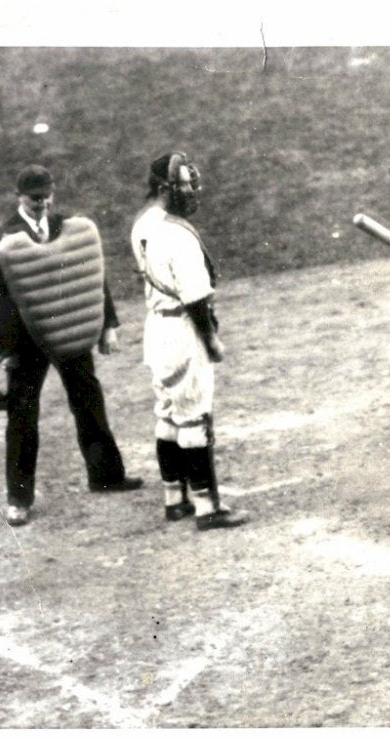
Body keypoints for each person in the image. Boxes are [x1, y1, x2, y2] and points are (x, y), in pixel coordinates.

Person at [0, 164, 143, 526]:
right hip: (27, 340)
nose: (42, 203)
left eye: (46, 196)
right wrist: (6, 345)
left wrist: (107, 324)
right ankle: (18, 498)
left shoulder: (67, 228)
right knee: (22, 416)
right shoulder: (1, 238)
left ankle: (106, 476)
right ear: (18, 196)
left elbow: (89, 276)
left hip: (69, 329)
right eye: (34, 197)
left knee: (89, 400)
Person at [130, 152, 246, 531]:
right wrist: (210, 340)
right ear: (165, 187)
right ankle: (207, 508)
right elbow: (196, 297)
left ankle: (174, 498)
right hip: (182, 331)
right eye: (184, 185)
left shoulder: (144, 223)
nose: (191, 191)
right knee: (195, 417)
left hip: (156, 328)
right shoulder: (177, 236)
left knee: (167, 412)